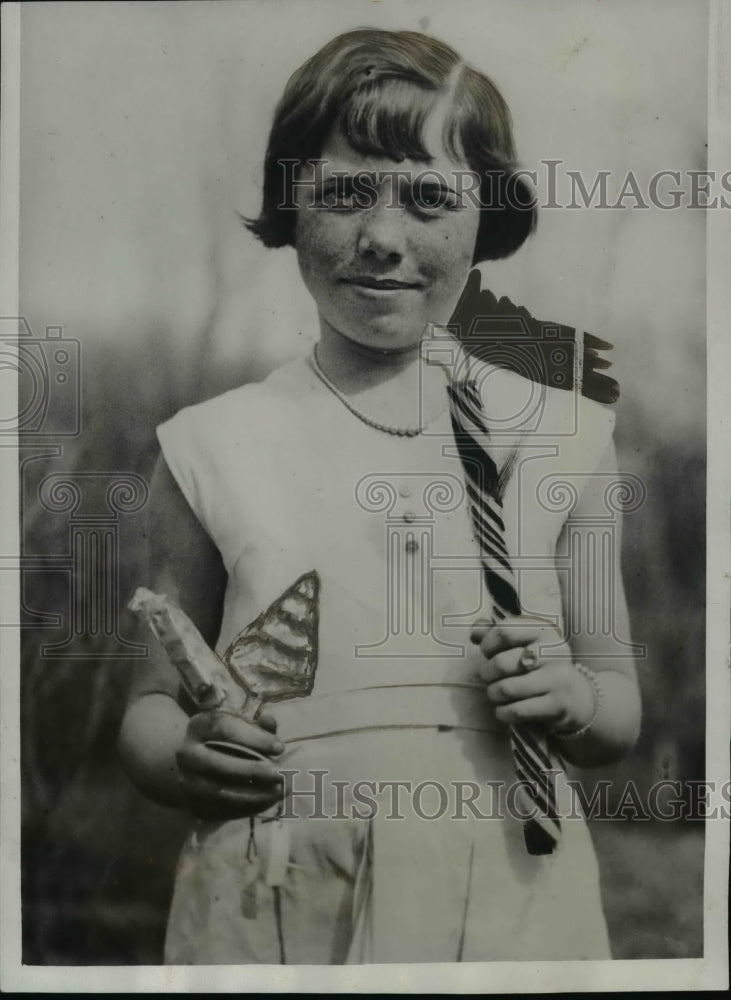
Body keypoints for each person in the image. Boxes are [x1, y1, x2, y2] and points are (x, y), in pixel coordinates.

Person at [118, 27, 641, 964]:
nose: (382, 239)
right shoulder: (214, 444)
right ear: (290, 206)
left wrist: (567, 695)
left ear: (488, 217)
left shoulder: (560, 435)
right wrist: (181, 755)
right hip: (274, 888)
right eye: (344, 193)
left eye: (431, 199)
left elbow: (616, 711)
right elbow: (150, 705)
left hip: (508, 885)